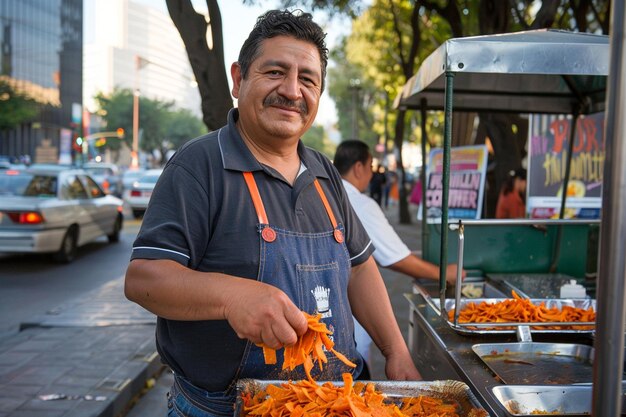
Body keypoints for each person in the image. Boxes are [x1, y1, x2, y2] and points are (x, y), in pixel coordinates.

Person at [124, 10, 420, 417]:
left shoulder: (323, 173)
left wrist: (397, 352)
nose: (292, 90)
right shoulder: (198, 166)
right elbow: (143, 279)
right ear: (238, 79)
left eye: (308, 79)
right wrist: (232, 297)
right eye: (275, 71)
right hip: (225, 409)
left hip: (338, 402)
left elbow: (360, 268)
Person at [333, 140, 466, 366]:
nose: (371, 173)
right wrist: (445, 274)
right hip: (347, 323)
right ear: (358, 167)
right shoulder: (357, 202)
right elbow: (395, 258)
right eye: (370, 165)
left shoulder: (324, 194)